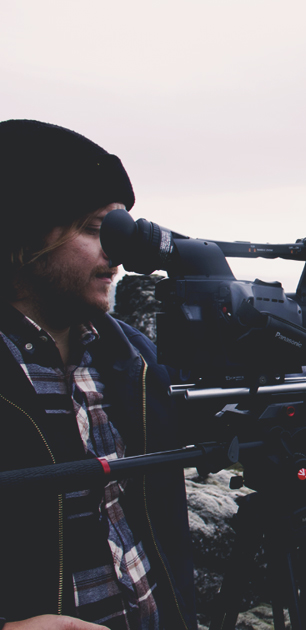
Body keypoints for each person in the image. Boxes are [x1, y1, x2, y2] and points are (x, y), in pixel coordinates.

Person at [0, 120, 196, 630]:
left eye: (124, 231)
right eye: (96, 229)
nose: (119, 253)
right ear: (21, 239)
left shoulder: (133, 356)